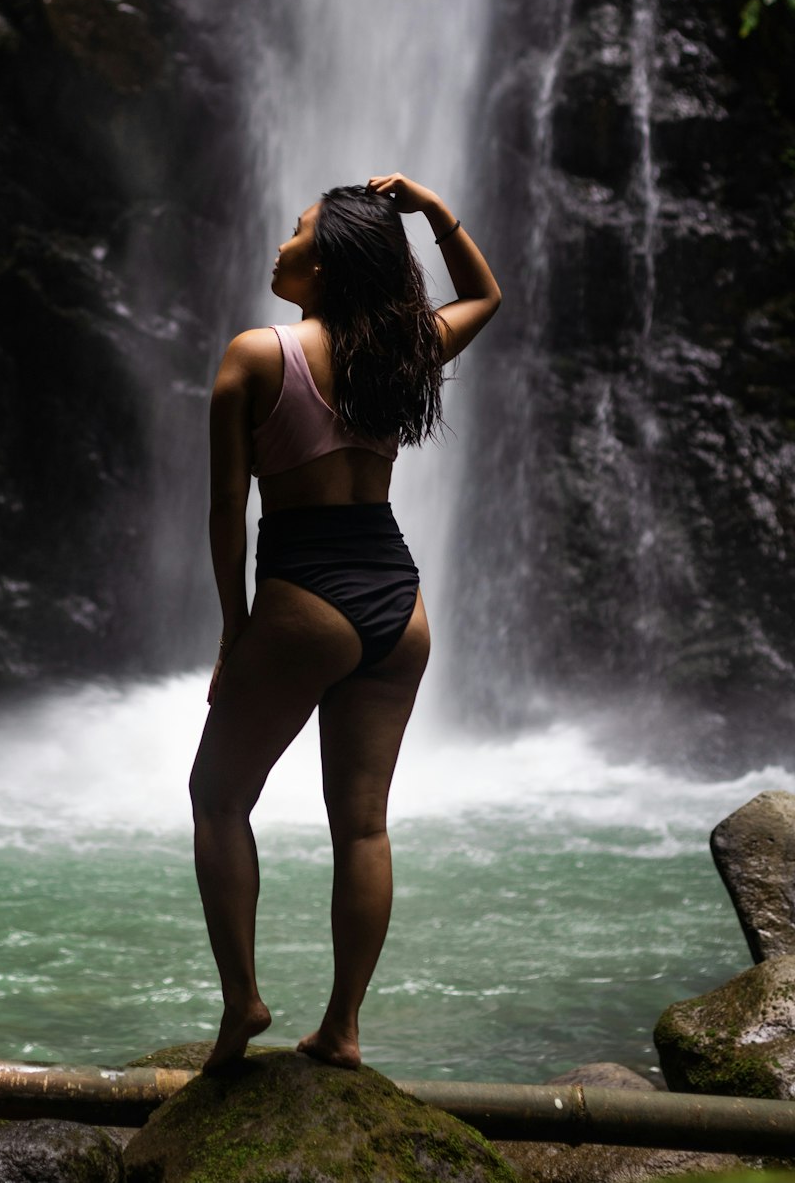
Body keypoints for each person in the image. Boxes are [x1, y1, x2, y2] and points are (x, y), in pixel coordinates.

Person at [189, 171, 501, 1072]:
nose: (280, 244)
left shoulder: (256, 355)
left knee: (218, 799)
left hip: (306, 593)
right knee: (362, 826)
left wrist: (234, 628)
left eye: (296, 233)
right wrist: (434, 211)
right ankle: (343, 1029)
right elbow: (485, 294)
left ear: (325, 264)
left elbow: (225, 513)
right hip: (398, 604)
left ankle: (244, 999)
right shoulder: (401, 355)